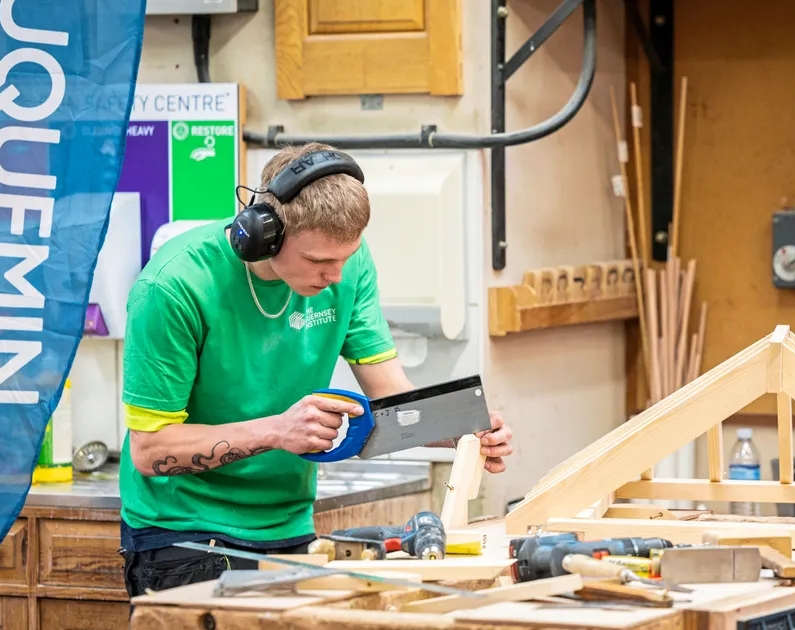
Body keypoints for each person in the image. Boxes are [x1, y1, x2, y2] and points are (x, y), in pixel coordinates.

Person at [116, 142, 513, 596]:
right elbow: (150, 451)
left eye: (346, 257)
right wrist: (278, 431)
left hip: (289, 527)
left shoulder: (348, 265)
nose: (337, 277)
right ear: (264, 235)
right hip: (183, 536)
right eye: (320, 262)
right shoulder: (172, 288)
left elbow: (390, 394)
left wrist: (462, 430)